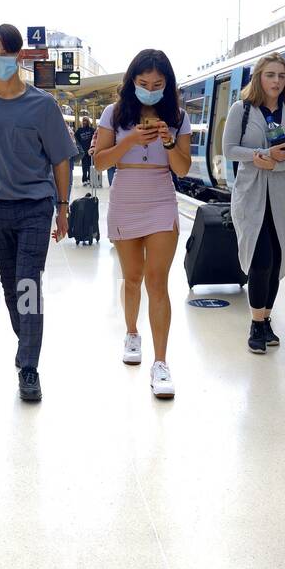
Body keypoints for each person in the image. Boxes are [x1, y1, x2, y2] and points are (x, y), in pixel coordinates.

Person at [0, 23, 78, 402]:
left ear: (20, 56)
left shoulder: (42, 105)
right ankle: (26, 340)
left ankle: (29, 367)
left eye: (4, 53)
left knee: (29, 285)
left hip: (35, 208)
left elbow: (61, 161)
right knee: (11, 288)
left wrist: (63, 207)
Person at [93, 49, 192, 398]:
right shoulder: (113, 114)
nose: (150, 88)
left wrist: (167, 140)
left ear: (167, 85)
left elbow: (182, 168)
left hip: (161, 199)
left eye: (157, 84)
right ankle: (132, 332)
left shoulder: (178, 118)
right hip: (126, 197)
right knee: (131, 277)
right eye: (143, 83)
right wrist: (132, 138)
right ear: (132, 82)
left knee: (157, 282)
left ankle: (161, 362)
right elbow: (101, 162)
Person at [223, 53, 285, 354]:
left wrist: (275, 165)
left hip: (283, 197)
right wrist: (263, 156)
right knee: (261, 259)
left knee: (279, 259)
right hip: (251, 196)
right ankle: (255, 323)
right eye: (270, 75)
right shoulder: (240, 110)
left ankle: (266, 319)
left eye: (281, 76)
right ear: (258, 77)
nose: (277, 81)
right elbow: (229, 149)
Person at [74, 117, 96, 186]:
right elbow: (76, 139)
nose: (84, 122)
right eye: (83, 121)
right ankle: (84, 180)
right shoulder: (79, 130)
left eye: (86, 121)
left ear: (88, 122)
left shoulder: (92, 130)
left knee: (90, 166)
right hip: (83, 151)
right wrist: (79, 148)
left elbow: (95, 138)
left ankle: (90, 178)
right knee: (84, 166)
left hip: (90, 151)